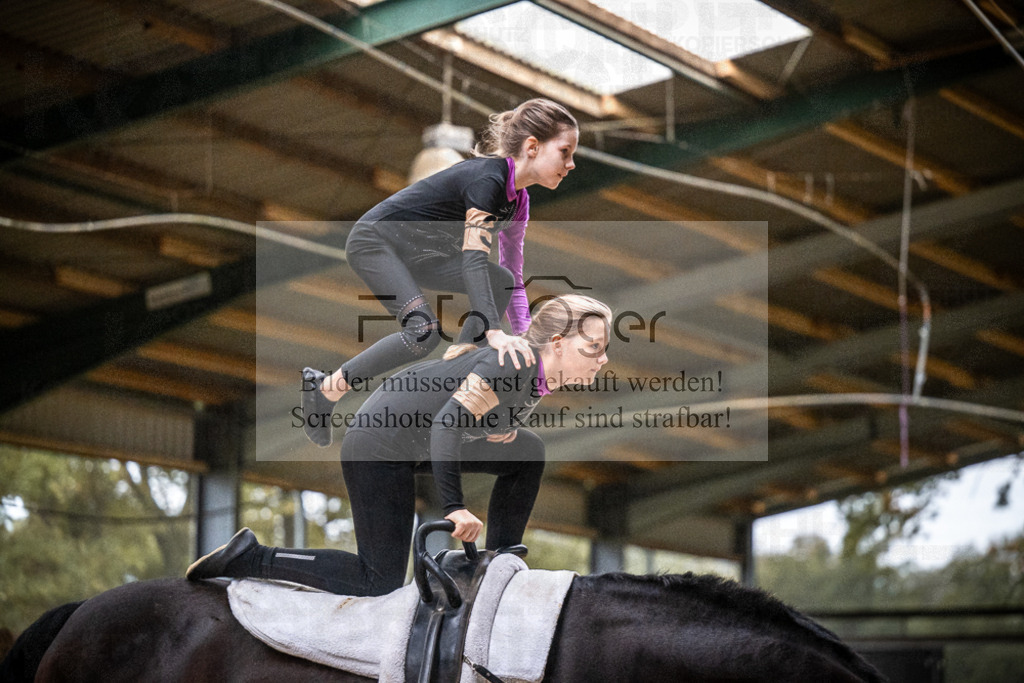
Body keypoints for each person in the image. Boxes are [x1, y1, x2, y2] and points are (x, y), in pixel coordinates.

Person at [188, 295, 611, 596]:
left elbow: (485, 318)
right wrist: (454, 507)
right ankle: (254, 557)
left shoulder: (530, 371)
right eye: (594, 348)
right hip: (380, 443)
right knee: (378, 581)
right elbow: (447, 423)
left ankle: (496, 565)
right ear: (557, 345)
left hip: (414, 439)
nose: (603, 359)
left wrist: (499, 419)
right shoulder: (512, 364)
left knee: (527, 452)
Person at [301, 98, 579, 447]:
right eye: (565, 152)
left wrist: (526, 337)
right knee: (423, 332)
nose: (571, 164)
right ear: (532, 147)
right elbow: (473, 259)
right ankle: (325, 388)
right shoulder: (487, 180)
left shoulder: (519, 203)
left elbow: (512, 272)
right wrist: (493, 331)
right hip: (377, 242)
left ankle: (461, 367)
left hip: (424, 254)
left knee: (502, 281)